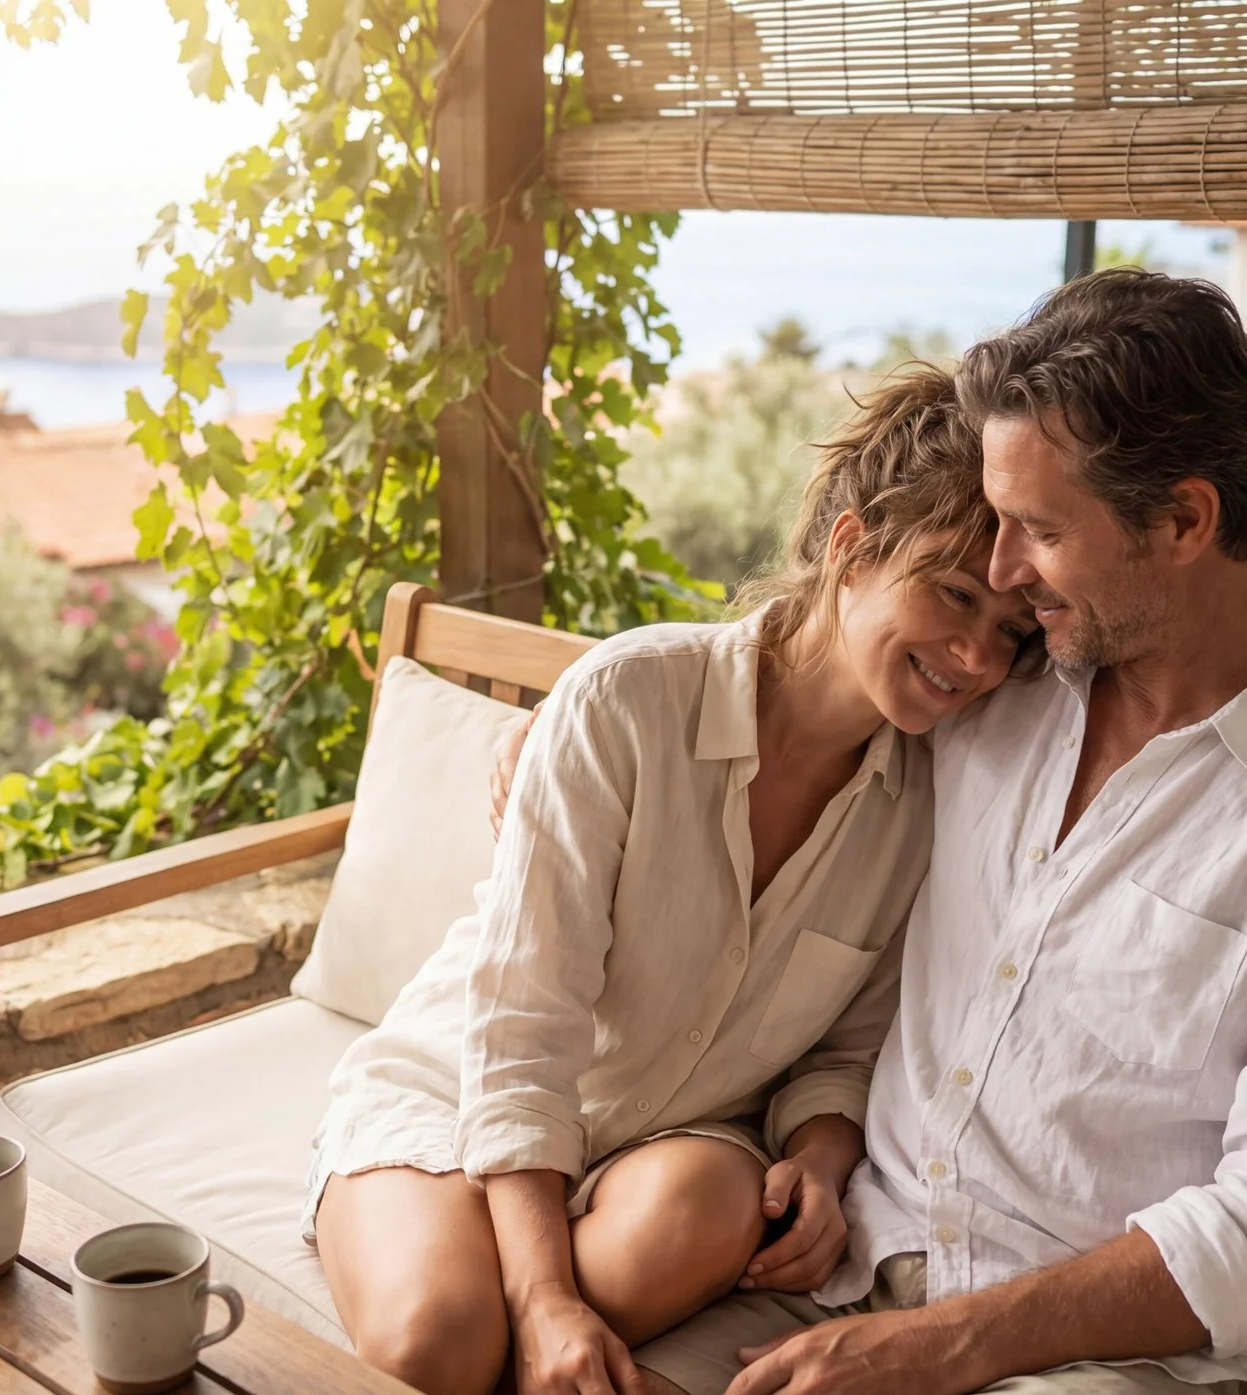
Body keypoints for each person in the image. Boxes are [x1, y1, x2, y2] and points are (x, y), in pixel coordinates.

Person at [511, 270, 1247, 1395]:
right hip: (845, 1276)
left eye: (1036, 530)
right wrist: (545, 739)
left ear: (1183, 520)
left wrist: (943, 1347)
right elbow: (797, 672)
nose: (1003, 571)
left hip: (1122, 1365)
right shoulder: (994, 696)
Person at [306, 365, 1043, 1395]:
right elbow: (523, 1027)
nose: (974, 654)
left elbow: (845, 1050)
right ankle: (492, 1286)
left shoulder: (928, 803)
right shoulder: (627, 701)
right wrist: (547, 1300)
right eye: (952, 594)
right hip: (460, 1093)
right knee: (442, 1337)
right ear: (850, 549)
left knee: (695, 1220)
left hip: (672, 1148)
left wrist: (824, 1166)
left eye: (1010, 632)